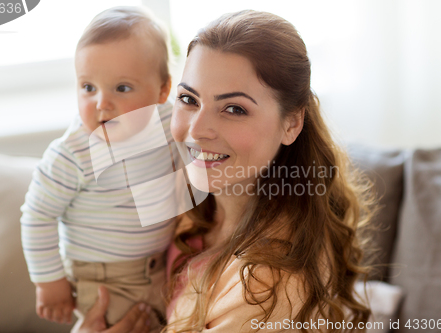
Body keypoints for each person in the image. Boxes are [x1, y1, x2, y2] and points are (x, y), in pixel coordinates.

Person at [76, 9, 376, 333]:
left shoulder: (265, 287)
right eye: (189, 99)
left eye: (234, 109)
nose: (197, 129)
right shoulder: (193, 192)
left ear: (292, 123)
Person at [20, 6, 174, 332]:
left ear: (162, 90)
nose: (101, 103)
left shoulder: (169, 123)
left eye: (122, 88)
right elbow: (37, 215)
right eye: (88, 87)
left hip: (160, 270)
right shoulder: (73, 153)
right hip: (103, 280)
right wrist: (49, 282)